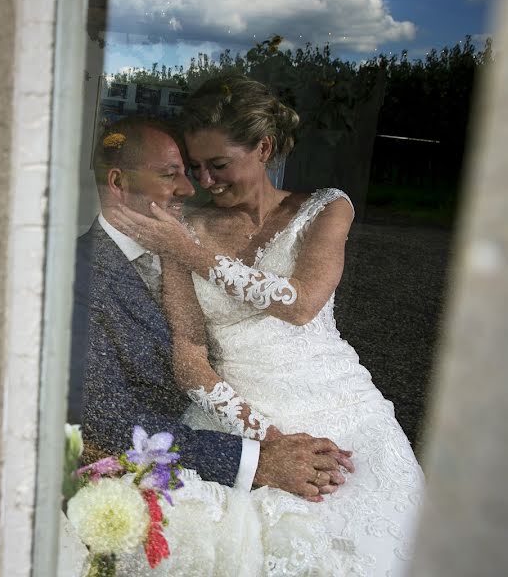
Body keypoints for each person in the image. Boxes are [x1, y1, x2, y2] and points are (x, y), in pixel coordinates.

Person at [107, 76, 425, 575]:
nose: (206, 182)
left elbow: (300, 304)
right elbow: (189, 353)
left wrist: (188, 252)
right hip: (242, 408)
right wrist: (266, 444)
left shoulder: (326, 208)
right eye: (196, 168)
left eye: (219, 165)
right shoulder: (183, 226)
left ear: (264, 147)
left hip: (344, 405)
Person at [70, 116, 366, 573]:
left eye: (202, 169)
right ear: (117, 182)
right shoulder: (76, 276)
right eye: (174, 174)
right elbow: (110, 421)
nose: (193, 190)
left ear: (264, 150)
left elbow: (303, 302)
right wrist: (259, 457)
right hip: (205, 442)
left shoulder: (180, 235)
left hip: (323, 405)